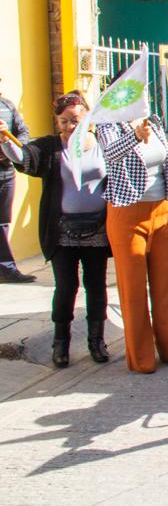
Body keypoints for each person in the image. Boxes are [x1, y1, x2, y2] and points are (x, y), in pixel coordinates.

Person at [0, 92, 110, 367]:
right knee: (66, 288)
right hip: (62, 233)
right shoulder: (51, 147)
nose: (71, 127)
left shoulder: (104, 144)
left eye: (75, 120)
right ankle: (60, 344)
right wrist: (5, 141)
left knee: (96, 287)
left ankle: (97, 342)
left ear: (88, 117)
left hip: (98, 230)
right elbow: (25, 159)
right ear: (57, 124)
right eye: (64, 122)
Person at [96, 112, 168, 374]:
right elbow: (111, 154)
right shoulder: (108, 123)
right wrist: (134, 137)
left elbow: (167, 167)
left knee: (165, 287)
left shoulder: (154, 121)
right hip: (127, 213)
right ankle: (141, 358)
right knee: (134, 290)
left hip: (160, 211)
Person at [0, 86, 34, 283]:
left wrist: (8, 147)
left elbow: (24, 133)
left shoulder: (7, 106)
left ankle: (6, 268)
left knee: (2, 223)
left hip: (5, 172)